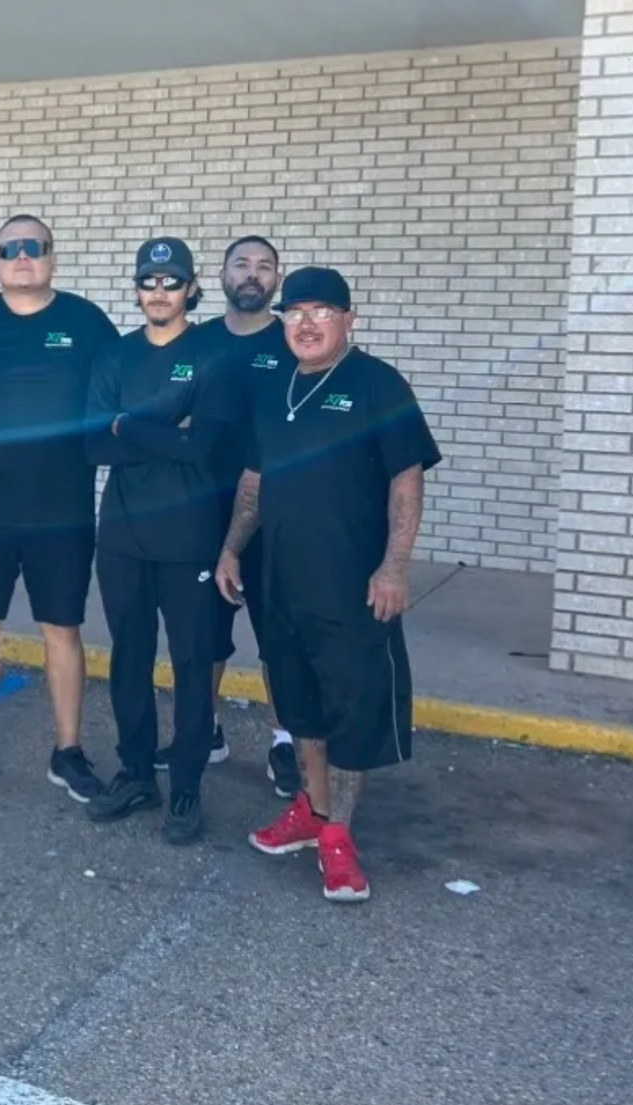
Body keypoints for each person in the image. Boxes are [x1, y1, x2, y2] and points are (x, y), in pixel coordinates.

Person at [218, 267, 441, 903]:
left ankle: (339, 834)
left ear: (349, 319)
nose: (306, 323)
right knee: (300, 705)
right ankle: (313, 810)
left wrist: (394, 566)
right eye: (295, 313)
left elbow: (406, 480)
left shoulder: (378, 384)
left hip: (353, 586)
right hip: (281, 581)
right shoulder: (276, 388)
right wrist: (232, 547)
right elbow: (255, 480)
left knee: (353, 706)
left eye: (321, 311)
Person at [0, 215, 119, 804]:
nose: (22, 257)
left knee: (62, 628)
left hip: (62, 509)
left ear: (52, 258)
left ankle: (68, 752)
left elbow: (121, 391)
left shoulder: (87, 323)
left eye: (33, 247)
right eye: (9, 249)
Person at [82, 238, 232, 845]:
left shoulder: (214, 356)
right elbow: (94, 445)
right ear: (138, 289)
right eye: (149, 281)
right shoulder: (114, 357)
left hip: (190, 536)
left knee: (192, 663)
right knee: (130, 658)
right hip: (122, 534)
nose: (160, 292)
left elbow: (207, 449)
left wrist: (129, 424)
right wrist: (170, 428)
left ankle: (187, 785)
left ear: (191, 289)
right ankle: (137, 773)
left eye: (172, 282)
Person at [160, 235, 302, 797]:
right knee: (204, 635)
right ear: (220, 276)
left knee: (278, 638)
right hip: (203, 509)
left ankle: (285, 742)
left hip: (276, 514)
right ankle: (205, 731)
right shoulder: (196, 342)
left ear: (276, 279)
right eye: (241, 264)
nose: (252, 274)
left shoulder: (291, 342)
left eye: (264, 266)